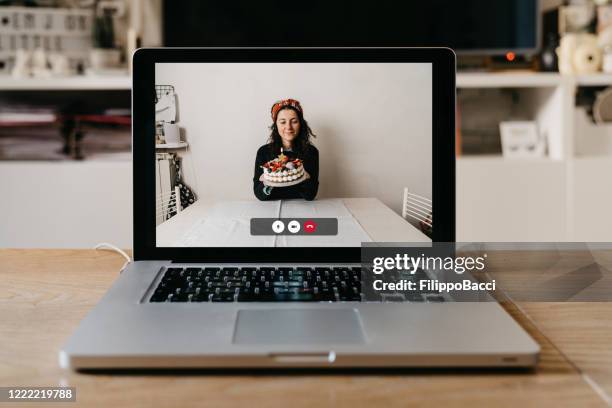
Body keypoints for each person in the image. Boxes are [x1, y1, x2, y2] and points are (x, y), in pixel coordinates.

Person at [253, 99, 319, 201]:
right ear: (276, 125)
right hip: (270, 209)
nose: (288, 127)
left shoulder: (311, 152)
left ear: (300, 124)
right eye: (283, 122)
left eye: (294, 121)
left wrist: (299, 173)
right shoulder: (263, 152)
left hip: (303, 209)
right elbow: (259, 194)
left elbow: (311, 195)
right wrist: (271, 179)